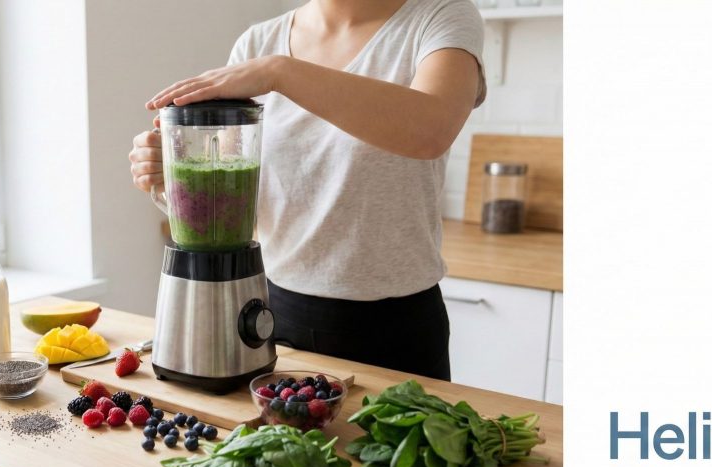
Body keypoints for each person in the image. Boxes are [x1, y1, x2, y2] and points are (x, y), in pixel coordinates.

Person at [130, 0, 486, 381]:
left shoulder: (440, 16)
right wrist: (171, 179)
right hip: (273, 320)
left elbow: (430, 130)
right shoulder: (258, 42)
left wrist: (280, 72)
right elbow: (234, 200)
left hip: (395, 331)